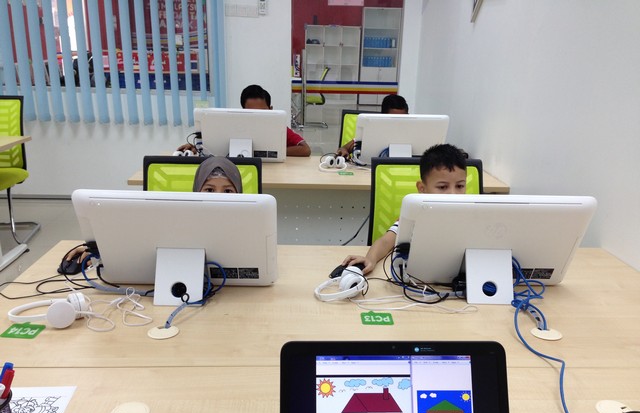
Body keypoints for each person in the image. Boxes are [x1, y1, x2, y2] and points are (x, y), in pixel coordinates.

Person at [60, 157, 243, 275]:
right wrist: (101, 249)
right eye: (209, 190)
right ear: (197, 190)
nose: (219, 196)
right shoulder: (178, 219)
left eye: (228, 191)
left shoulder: (249, 225)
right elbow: (143, 241)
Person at [341, 143, 468, 275]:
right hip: (418, 279)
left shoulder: (472, 216)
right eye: (442, 187)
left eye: (460, 186)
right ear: (422, 189)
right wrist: (370, 259)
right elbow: (385, 241)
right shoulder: (414, 217)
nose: (453, 194)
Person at [177, 84, 311, 157]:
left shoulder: (278, 127)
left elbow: (305, 150)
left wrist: (273, 151)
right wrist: (197, 147)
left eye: (263, 112)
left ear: (271, 109)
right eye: (252, 113)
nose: (258, 117)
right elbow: (216, 145)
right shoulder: (235, 127)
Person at [335, 94, 409, 158]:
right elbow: (343, 149)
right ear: (383, 117)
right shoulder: (373, 131)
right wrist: (343, 152)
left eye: (403, 119)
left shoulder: (412, 132)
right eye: (394, 119)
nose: (398, 123)